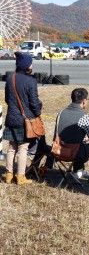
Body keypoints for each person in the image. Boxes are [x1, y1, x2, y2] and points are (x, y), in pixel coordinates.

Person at [3, 52, 42, 185]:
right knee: (23, 148)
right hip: (24, 120)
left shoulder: (10, 78)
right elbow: (34, 103)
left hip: (11, 117)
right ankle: (20, 176)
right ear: (26, 66)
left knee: (11, 147)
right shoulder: (31, 81)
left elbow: (7, 99)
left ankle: (8, 175)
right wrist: (37, 113)